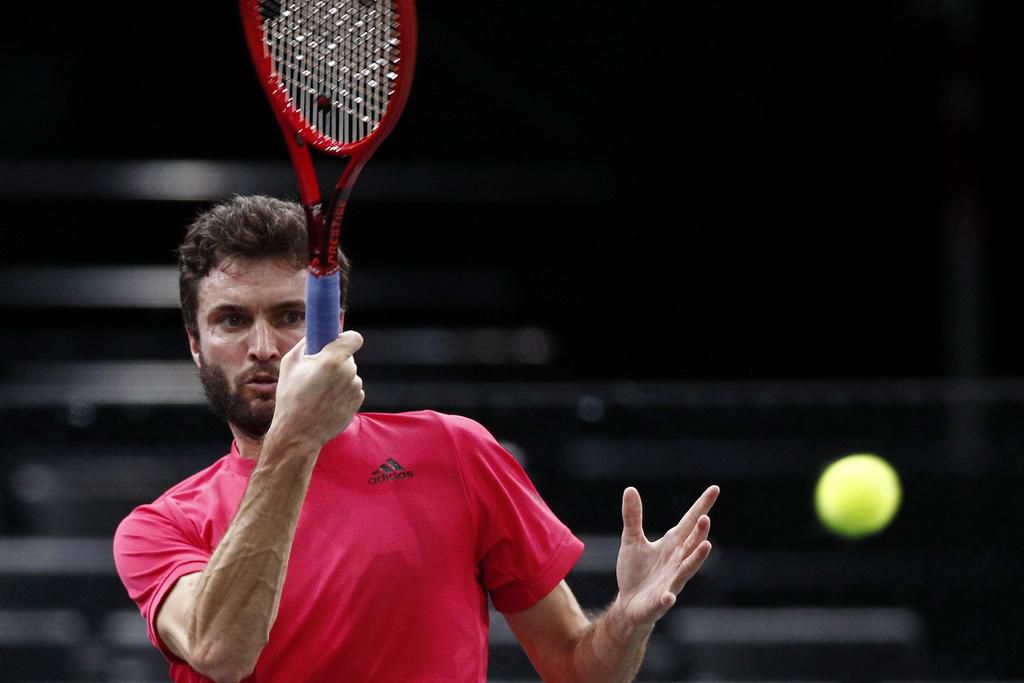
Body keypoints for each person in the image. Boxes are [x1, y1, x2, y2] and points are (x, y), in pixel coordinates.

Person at [113, 195, 720, 682]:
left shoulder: (456, 452)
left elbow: (576, 669)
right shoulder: (161, 529)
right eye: (232, 320)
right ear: (195, 344)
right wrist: (295, 439)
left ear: (334, 326)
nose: (265, 347)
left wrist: (626, 623)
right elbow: (221, 652)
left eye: (290, 315)